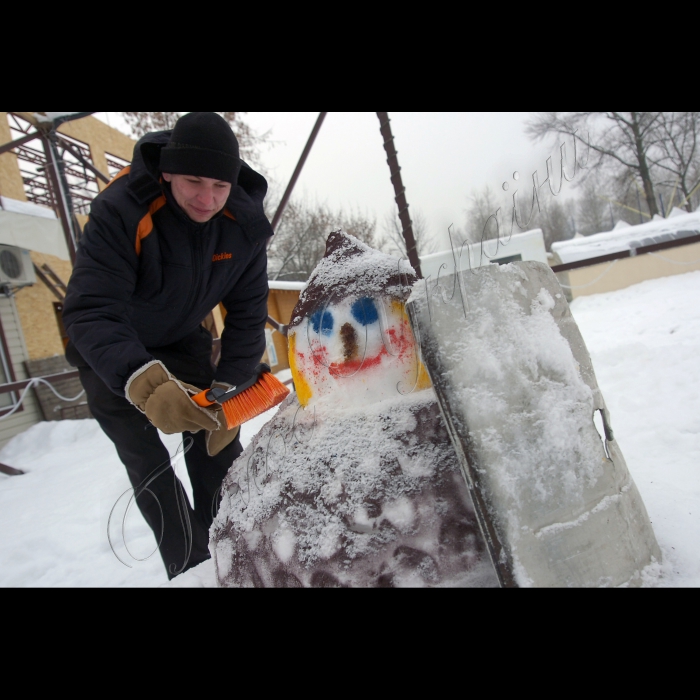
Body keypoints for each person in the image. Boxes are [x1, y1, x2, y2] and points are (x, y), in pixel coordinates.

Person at [63, 112, 273, 579]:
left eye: (220, 185)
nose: (207, 197)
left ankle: (234, 551)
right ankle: (194, 569)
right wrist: (141, 381)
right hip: (108, 353)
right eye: (194, 180)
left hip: (181, 340)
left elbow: (247, 315)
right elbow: (90, 309)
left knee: (216, 442)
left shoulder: (244, 226)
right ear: (168, 172)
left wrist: (229, 386)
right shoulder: (122, 209)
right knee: (148, 463)